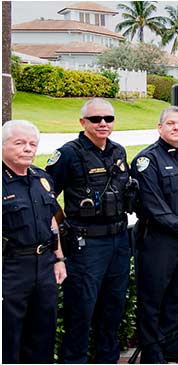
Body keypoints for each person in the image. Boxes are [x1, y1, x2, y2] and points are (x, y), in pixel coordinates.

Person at [46, 98, 137, 363]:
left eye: (108, 119)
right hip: (86, 245)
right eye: (96, 119)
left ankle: (106, 359)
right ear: (82, 122)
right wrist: (64, 225)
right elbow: (46, 195)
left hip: (119, 241)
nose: (103, 124)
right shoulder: (69, 154)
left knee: (113, 307)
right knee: (81, 310)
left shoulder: (118, 151)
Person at [130, 106, 178, 363]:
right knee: (153, 298)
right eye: (171, 123)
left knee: (177, 296)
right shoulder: (146, 160)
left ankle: (172, 346)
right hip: (158, 241)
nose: (176, 127)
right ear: (159, 127)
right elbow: (152, 204)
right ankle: (152, 354)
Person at [2, 120, 67, 364]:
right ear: (3, 145)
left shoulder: (42, 179)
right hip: (10, 268)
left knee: (43, 333)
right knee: (8, 336)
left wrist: (59, 258)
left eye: (32, 144)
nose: (28, 148)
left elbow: (52, 221)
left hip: (44, 265)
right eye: (20, 143)